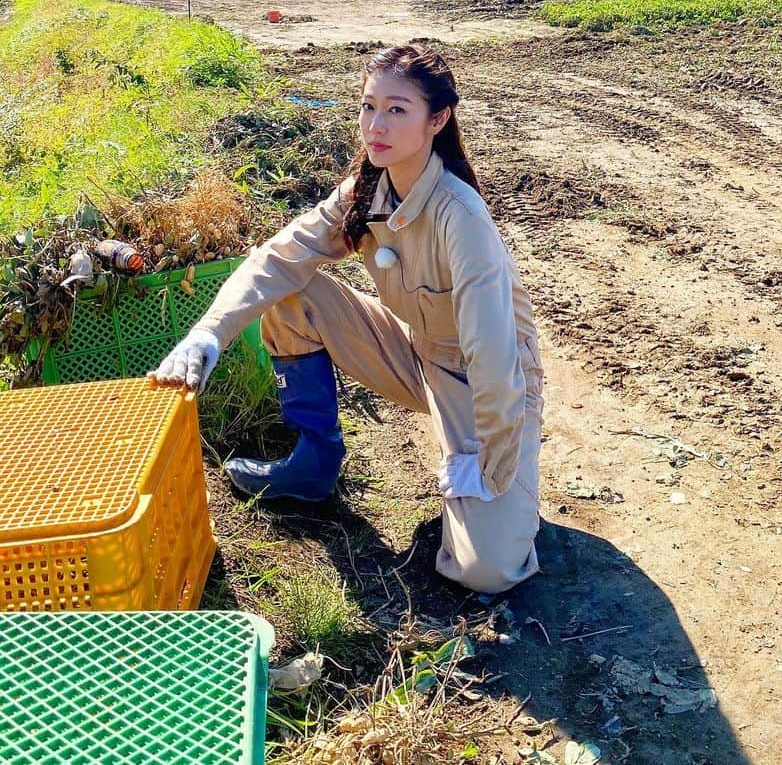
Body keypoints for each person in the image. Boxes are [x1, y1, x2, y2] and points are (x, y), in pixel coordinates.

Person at [150, 43, 544, 595]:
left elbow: (494, 355)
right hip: (415, 352)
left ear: (438, 119)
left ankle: (508, 498)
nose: (375, 125)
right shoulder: (366, 192)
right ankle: (312, 467)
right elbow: (278, 257)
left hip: (484, 382)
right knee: (290, 291)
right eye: (367, 106)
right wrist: (208, 334)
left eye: (397, 110)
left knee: (488, 571)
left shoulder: (461, 216)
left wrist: (491, 466)